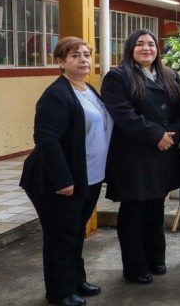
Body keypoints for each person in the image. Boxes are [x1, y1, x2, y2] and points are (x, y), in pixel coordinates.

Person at [20, 37, 112, 306]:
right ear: (60, 62)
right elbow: (46, 138)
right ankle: (59, 292)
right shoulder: (57, 94)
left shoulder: (87, 89)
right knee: (61, 235)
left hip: (89, 176)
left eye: (86, 54)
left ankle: (76, 280)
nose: (83, 60)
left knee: (74, 231)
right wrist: (63, 179)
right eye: (75, 56)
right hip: (58, 181)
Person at [102, 29, 180, 284]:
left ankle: (155, 258)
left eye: (151, 44)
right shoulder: (118, 77)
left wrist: (173, 134)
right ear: (130, 48)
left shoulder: (169, 75)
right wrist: (156, 135)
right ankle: (135, 266)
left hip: (162, 154)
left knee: (156, 209)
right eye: (140, 44)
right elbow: (123, 114)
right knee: (134, 212)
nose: (146, 48)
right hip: (134, 157)